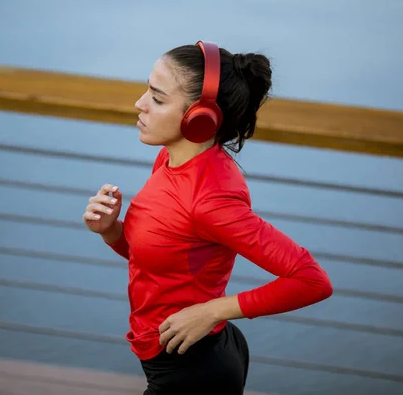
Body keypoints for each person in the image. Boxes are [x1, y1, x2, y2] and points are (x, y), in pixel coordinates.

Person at [82, 40, 333, 394]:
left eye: (156, 97)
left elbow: (312, 280)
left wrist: (212, 311)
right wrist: (112, 232)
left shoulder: (212, 199)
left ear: (199, 117)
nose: (139, 103)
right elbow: (167, 258)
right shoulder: (172, 160)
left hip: (194, 370)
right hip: (177, 357)